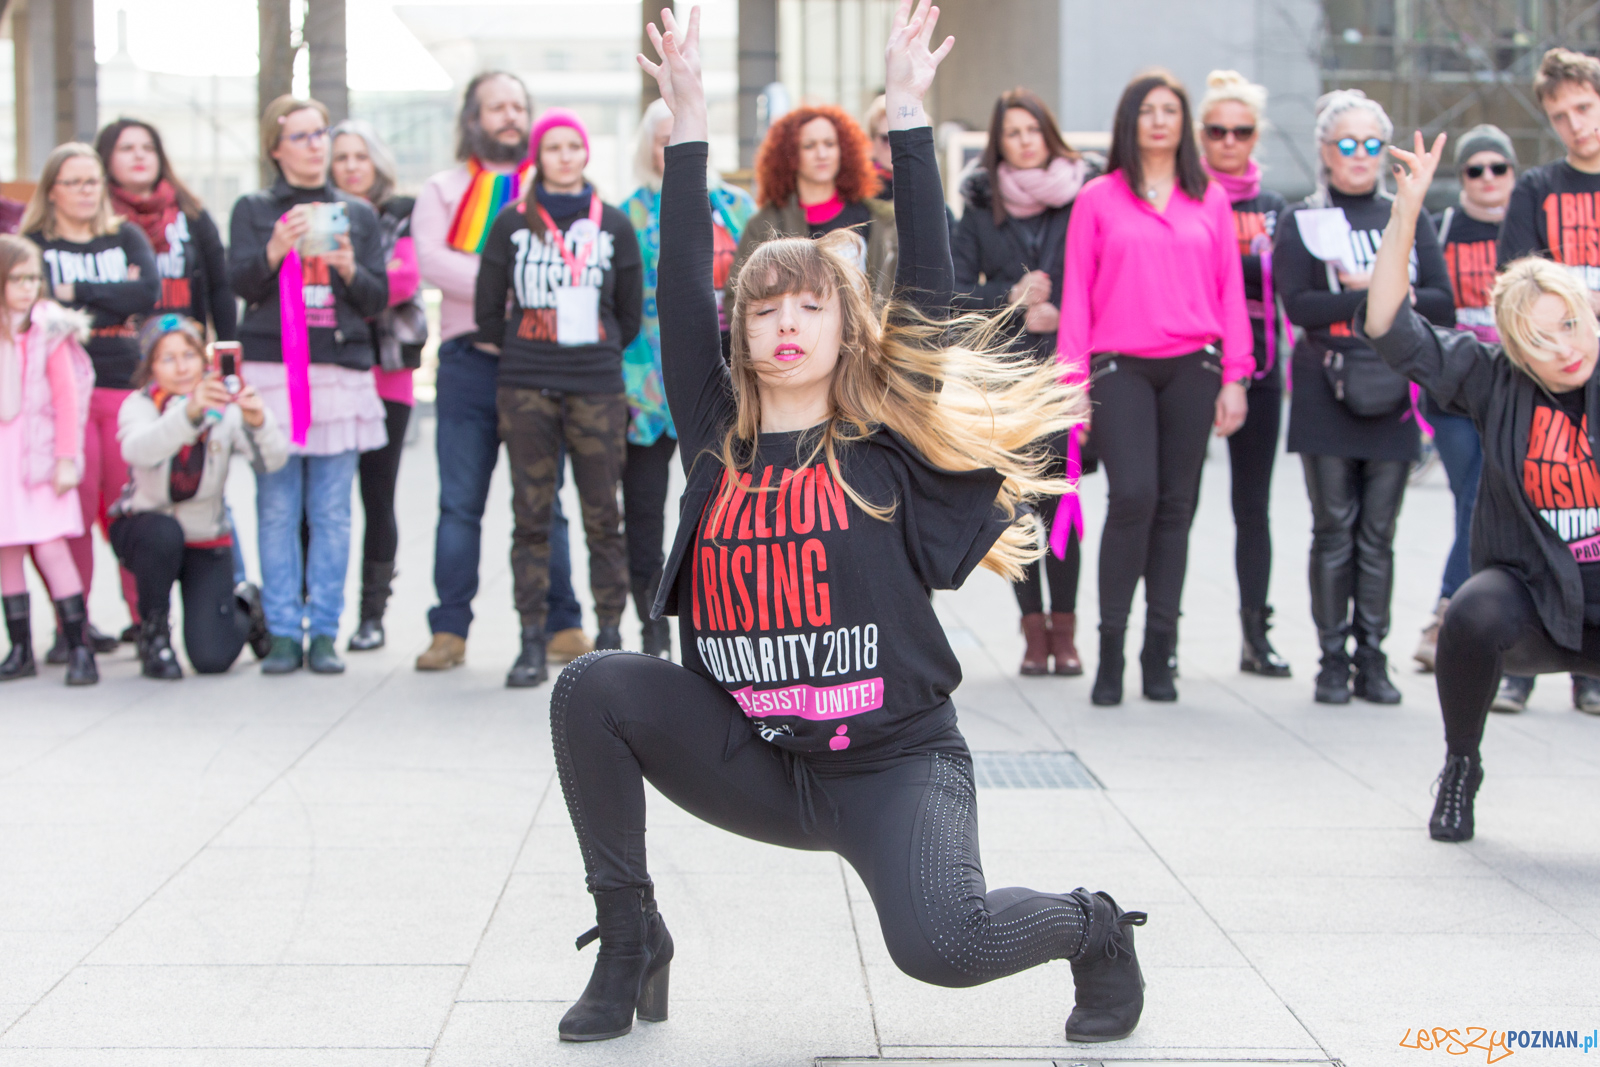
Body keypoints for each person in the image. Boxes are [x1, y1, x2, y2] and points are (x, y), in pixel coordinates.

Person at [549, 1, 1147, 1047]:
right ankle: (630, 934)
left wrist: (907, 115)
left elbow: (933, 295)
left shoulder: (884, 434)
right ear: (740, 332)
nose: (784, 322)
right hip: (753, 752)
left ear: (845, 324)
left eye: (809, 306)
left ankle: (1092, 926)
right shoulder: (715, 434)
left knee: (944, 945)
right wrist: (689, 120)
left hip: (892, 762)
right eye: (764, 308)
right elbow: (681, 283)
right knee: (590, 686)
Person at [1367, 131, 1600, 843]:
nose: (1565, 348)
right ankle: (1461, 764)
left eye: (1572, 325)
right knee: (1468, 612)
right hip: (1533, 594)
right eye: (1542, 340)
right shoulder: (1491, 379)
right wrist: (1406, 212)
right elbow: (1389, 327)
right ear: (1517, 350)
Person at [1060, 69, 1252, 706]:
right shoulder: (1098, 198)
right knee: (1133, 496)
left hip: (1194, 368)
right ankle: (1111, 649)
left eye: (1171, 110)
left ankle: (1159, 650)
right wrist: (1072, 383)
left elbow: (1230, 292)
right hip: (1121, 368)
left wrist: (1236, 377)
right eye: (1148, 110)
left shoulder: (1210, 199)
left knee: (1176, 507)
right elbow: (1077, 296)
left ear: (1183, 123)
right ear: (1130, 122)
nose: (1160, 120)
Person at [1273, 90, 1454, 705]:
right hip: (1324, 383)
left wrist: (1373, 287)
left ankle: (1372, 658)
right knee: (1333, 529)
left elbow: (1442, 302)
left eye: (1371, 144)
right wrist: (1379, 293)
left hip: (1392, 385)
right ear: (1325, 150)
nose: (1359, 154)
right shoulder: (1303, 219)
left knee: (1378, 532)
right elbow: (1300, 305)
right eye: (1346, 143)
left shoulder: (1406, 213)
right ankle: (1331, 660)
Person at [412, 71, 591, 671]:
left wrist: (503, 282)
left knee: (546, 501)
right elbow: (430, 260)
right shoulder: (441, 189)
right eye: (497, 107)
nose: (509, 116)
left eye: (518, 106)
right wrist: (509, 280)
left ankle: (563, 624)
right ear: (474, 118)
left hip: (538, 361)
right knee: (460, 503)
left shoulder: (555, 191)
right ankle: (449, 630)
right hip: (467, 364)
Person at [474, 107, 643, 687]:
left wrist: (592, 349)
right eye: (553, 147)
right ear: (538, 157)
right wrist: (533, 346)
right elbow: (487, 310)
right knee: (531, 519)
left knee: (604, 518)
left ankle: (612, 640)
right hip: (527, 388)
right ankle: (531, 641)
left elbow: (628, 314)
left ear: (586, 153)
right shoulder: (511, 224)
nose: (565, 156)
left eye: (574, 146)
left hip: (596, 386)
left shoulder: (613, 225)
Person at [229, 95, 389, 675]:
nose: (316, 144)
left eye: (320, 132)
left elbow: (376, 298)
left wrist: (347, 266)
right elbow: (240, 284)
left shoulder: (358, 214)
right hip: (274, 371)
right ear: (275, 147)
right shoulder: (253, 209)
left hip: (339, 371)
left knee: (332, 512)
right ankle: (281, 633)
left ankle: (324, 631)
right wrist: (275, 248)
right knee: (276, 508)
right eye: (301, 136)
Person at [954, 86, 1093, 676]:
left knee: (1063, 506)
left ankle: (1066, 632)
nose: (1025, 141)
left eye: (1032, 130)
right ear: (999, 144)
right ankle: (1034, 634)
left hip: (1068, 376)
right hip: (1008, 381)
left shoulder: (1083, 199)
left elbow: (1103, 277)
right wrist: (1008, 300)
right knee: (1017, 510)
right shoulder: (980, 207)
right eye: (1013, 133)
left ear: (1049, 135)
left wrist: (1069, 314)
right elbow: (954, 294)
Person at [621, 98, 756, 657]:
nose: (672, 147)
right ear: (647, 148)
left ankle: (729, 618)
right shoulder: (627, 215)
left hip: (729, 382)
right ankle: (652, 628)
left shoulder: (738, 207)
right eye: (662, 139)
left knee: (728, 504)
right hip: (647, 386)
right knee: (644, 510)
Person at [23, 143, 160, 657]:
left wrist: (70, 294)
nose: (86, 191)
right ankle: (72, 626)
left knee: (127, 505)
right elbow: (30, 307)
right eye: (74, 182)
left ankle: (145, 621)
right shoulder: (34, 244)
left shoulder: (125, 235)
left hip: (123, 386)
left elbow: (144, 294)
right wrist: (109, 297)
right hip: (59, 396)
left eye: (93, 182)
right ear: (51, 191)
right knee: (73, 510)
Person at [1496, 47, 1600, 715]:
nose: (1576, 125)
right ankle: (1520, 666)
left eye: (1585, 108)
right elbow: (1514, 281)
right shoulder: (1537, 189)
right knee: (1542, 516)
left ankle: (1589, 671)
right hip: (1549, 382)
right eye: (1561, 116)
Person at [109, 316, 284, 678]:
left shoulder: (225, 406)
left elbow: (271, 461)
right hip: (148, 528)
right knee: (162, 533)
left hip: (205, 536)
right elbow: (138, 451)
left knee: (212, 658)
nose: (181, 367)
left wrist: (257, 421)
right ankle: (155, 636)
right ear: (151, 366)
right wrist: (189, 413)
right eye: (168, 358)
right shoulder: (139, 405)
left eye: (189, 355)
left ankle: (246, 605)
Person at [1194, 71, 1292, 679]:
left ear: (1256, 136)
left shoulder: (1275, 210)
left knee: (1252, 508)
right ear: (1201, 135)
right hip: (1192, 365)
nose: (1229, 140)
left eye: (1241, 130)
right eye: (1217, 130)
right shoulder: (1187, 198)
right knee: (1173, 506)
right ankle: (1161, 638)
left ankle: (1257, 636)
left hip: (1261, 369)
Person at [1411, 127, 1510, 685]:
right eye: (1475, 169)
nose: (1487, 178)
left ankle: (1450, 616)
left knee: (1479, 497)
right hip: (1454, 391)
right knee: (1474, 493)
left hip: (1513, 388)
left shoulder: (1528, 226)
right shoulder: (1443, 227)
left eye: (1498, 167)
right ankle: (1451, 617)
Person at [329, 119, 426, 652]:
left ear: (377, 162)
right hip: (327, 374)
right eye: (341, 157)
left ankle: (373, 615)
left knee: (377, 495)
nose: (351, 167)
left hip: (387, 375)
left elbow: (404, 281)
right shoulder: (318, 213)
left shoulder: (401, 212)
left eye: (360, 156)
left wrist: (350, 279)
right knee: (321, 500)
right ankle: (316, 610)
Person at [0, 234, 98, 686]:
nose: (27, 288)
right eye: (17, 279)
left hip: (40, 458)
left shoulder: (49, 332)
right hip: (5, 462)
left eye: (33, 279)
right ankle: (20, 648)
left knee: (52, 548)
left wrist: (65, 459)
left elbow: (67, 399)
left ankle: (79, 646)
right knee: (7, 550)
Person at [728, 102, 897, 300]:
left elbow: (890, 294)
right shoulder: (764, 224)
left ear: (843, 150)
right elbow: (737, 296)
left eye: (830, 144)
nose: (822, 154)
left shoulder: (876, 218)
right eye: (809, 146)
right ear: (790, 155)